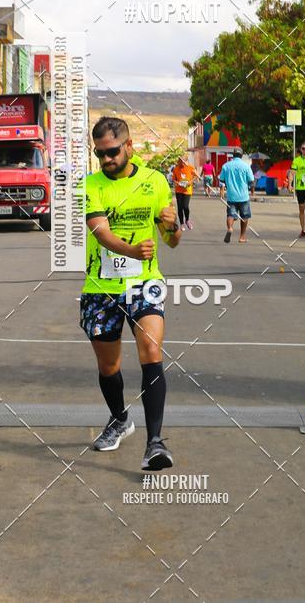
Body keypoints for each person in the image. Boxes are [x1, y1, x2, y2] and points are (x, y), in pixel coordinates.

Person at [80, 116, 181, 471]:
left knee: (151, 350)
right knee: (109, 366)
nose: (106, 160)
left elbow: (172, 239)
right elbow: (101, 233)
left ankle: (155, 443)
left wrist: (172, 227)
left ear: (129, 146)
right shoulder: (91, 185)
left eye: (111, 152)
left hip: (144, 282)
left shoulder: (154, 182)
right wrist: (132, 250)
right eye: (100, 154)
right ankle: (120, 418)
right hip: (101, 286)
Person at [219, 148, 254, 243]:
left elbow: (221, 181)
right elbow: (251, 181)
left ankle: (230, 228)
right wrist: (252, 191)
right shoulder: (246, 166)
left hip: (231, 196)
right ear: (242, 156)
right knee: (245, 216)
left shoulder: (226, 166)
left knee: (230, 215)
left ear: (233, 155)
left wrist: (221, 193)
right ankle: (242, 237)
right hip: (243, 197)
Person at [171, 154, 199, 230]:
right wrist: (176, 182)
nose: (182, 163)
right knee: (180, 207)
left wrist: (190, 182)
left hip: (187, 190)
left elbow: (197, 176)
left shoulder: (190, 168)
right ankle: (182, 224)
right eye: (180, 161)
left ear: (186, 162)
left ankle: (187, 220)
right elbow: (173, 179)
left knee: (185, 206)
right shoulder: (176, 169)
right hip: (178, 190)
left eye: (183, 161)